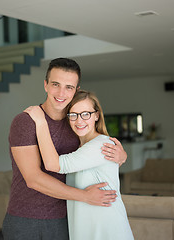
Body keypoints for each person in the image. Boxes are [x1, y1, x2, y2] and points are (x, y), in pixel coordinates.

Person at [2, 58, 127, 240]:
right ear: (45, 85)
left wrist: (120, 156)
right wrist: (85, 196)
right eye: (55, 84)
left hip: (66, 219)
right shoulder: (26, 121)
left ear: (76, 90)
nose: (61, 93)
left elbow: (92, 157)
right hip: (26, 218)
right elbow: (33, 179)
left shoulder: (77, 124)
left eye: (69, 87)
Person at [25, 90, 134, 240]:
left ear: (96, 115)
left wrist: (41, 122)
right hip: (85, 228)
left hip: (107, 229)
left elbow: (53, 164)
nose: (79, 121)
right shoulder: (80, 148)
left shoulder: (101, 145)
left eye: (85, 114)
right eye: (73, 115)